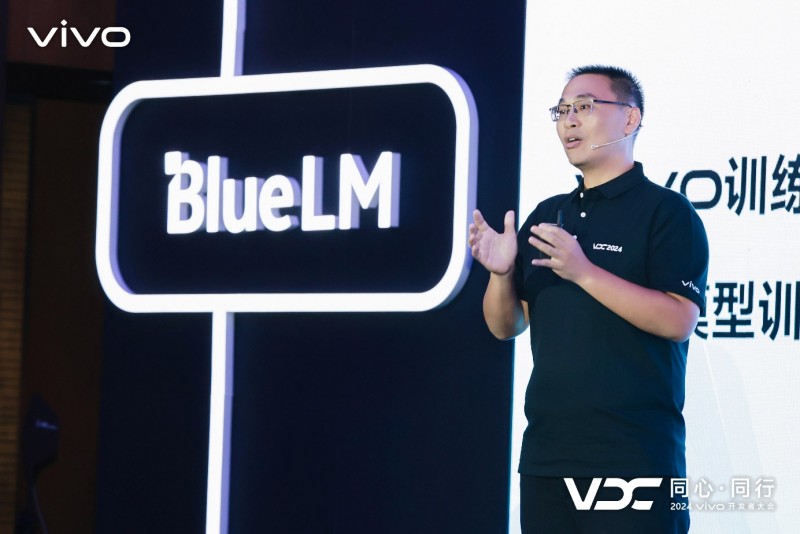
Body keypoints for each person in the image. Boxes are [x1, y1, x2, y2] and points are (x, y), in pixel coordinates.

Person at [468, 65, 709, 533]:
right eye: (562, 111)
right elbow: (506, 325)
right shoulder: (548, 215)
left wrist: (584, 272)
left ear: (630, 118)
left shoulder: (666, 212)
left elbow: (679, 319)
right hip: (547, 458)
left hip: (634, 460)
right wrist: (501, 274)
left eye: (584, 107)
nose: (569, 121)